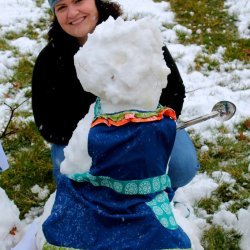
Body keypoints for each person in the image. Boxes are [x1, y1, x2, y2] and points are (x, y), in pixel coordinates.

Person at [32, 0, 199, 192]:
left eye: (78, 0)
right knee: (76, 181)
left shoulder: (135, 37)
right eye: (62, 7)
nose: (72, 13)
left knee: (182, 165)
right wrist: (103, 137)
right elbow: (48, 124)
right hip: (84, 139)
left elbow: (173, 91)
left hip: (148, 127)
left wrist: (140, 129)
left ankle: (159, 198)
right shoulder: (50, 60)